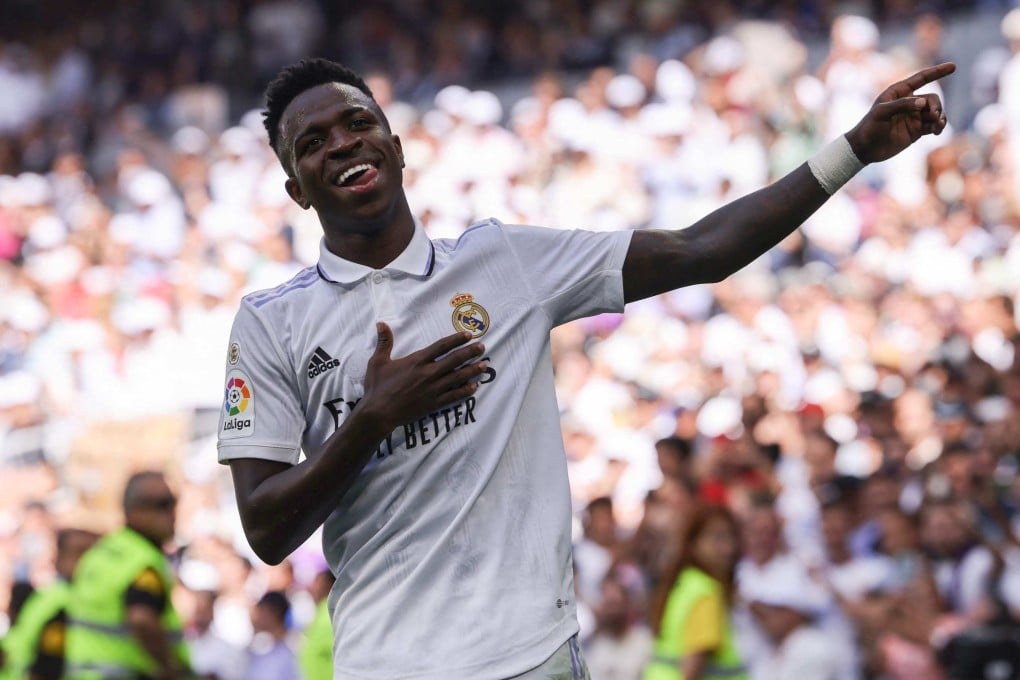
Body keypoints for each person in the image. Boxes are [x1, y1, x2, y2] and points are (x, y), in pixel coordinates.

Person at [218, 56, 953, 678]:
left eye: (358, 123)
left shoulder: (503, 262)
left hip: (532, 655)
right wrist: (373, 418)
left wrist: (852, 149)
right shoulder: (270, 322)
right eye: (313, 142)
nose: (343, 143)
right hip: (388, 664)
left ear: (396, 145)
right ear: (295, 187)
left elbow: (704, 250)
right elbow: (267, 529)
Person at [64, 471, 192, 679]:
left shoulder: (101, 552)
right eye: (162, 504)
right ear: (135, 510)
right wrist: (169, 668)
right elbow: (141, 619)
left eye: (173, 502)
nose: (172, 512)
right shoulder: (143, 561)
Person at [644, 504, 744, 680]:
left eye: (731, 537)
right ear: (694, 542)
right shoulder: (707, 592)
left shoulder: (686, 582)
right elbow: (691, 670)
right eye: (718, 538)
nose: (728, 548)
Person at [0, 528, 98, 680]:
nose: (88, 561)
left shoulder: (48, 595)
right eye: (80, 552)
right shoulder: (62, 602)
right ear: (59, 558)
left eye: (94, 554)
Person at [244, 591, 300, 680]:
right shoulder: (261, 644)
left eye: (262, 610)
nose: (258, 616)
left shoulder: (295, 645)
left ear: (274, 612)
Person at [298, 569, 335, 680]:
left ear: (329, 585)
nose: (312, 587)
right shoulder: (320, 612)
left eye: (318, 582)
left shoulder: (329, 613)